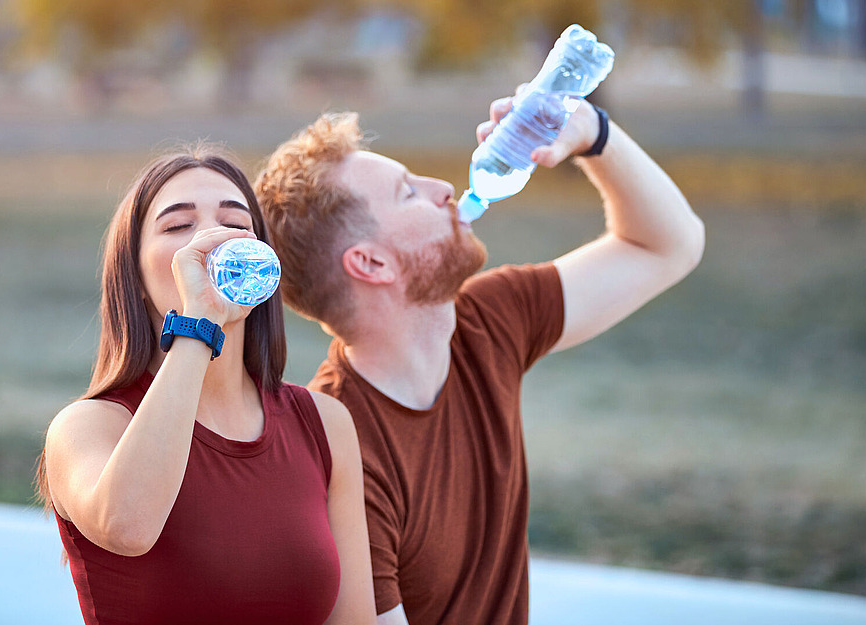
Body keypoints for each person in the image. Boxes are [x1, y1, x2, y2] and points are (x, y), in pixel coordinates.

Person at [254, 94, 705, 625]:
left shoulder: (488, 321)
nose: (442, 188)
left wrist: (594, 136)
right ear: (371, 263)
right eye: (408, 192)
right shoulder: (337, 454)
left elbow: (670, 245)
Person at [36, 146, 377, 625]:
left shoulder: (324, 424)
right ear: (134, 277)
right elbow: (128, 527)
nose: (213, 240)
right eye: (178, 226)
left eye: (236, 225)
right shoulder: (86, 428)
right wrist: (198, 325)